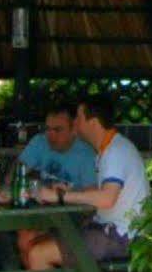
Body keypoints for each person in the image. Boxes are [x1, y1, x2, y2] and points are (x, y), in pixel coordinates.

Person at [16, 93, 148, 272]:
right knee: (38, 245)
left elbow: (107, 197)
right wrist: (72, 190)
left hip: (120, 236)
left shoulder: (116, 152)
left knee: (39, 253)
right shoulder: (109, 149)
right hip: (108, 229)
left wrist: (62, 197)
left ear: (92, 120)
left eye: (78, 117)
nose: (75, 123)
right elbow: (101, 192)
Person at [13, 104, 97, 260]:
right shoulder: (40, 142)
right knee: (23, 236)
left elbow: (91, 205)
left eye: (57, 130)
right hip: (40, 210)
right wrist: (33, 180)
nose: (50, 135)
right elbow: (16, 175)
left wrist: (63, 195)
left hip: (72, 217)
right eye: (48, 129)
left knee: (30, 241)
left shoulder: (86, 155)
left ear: (74, 130)